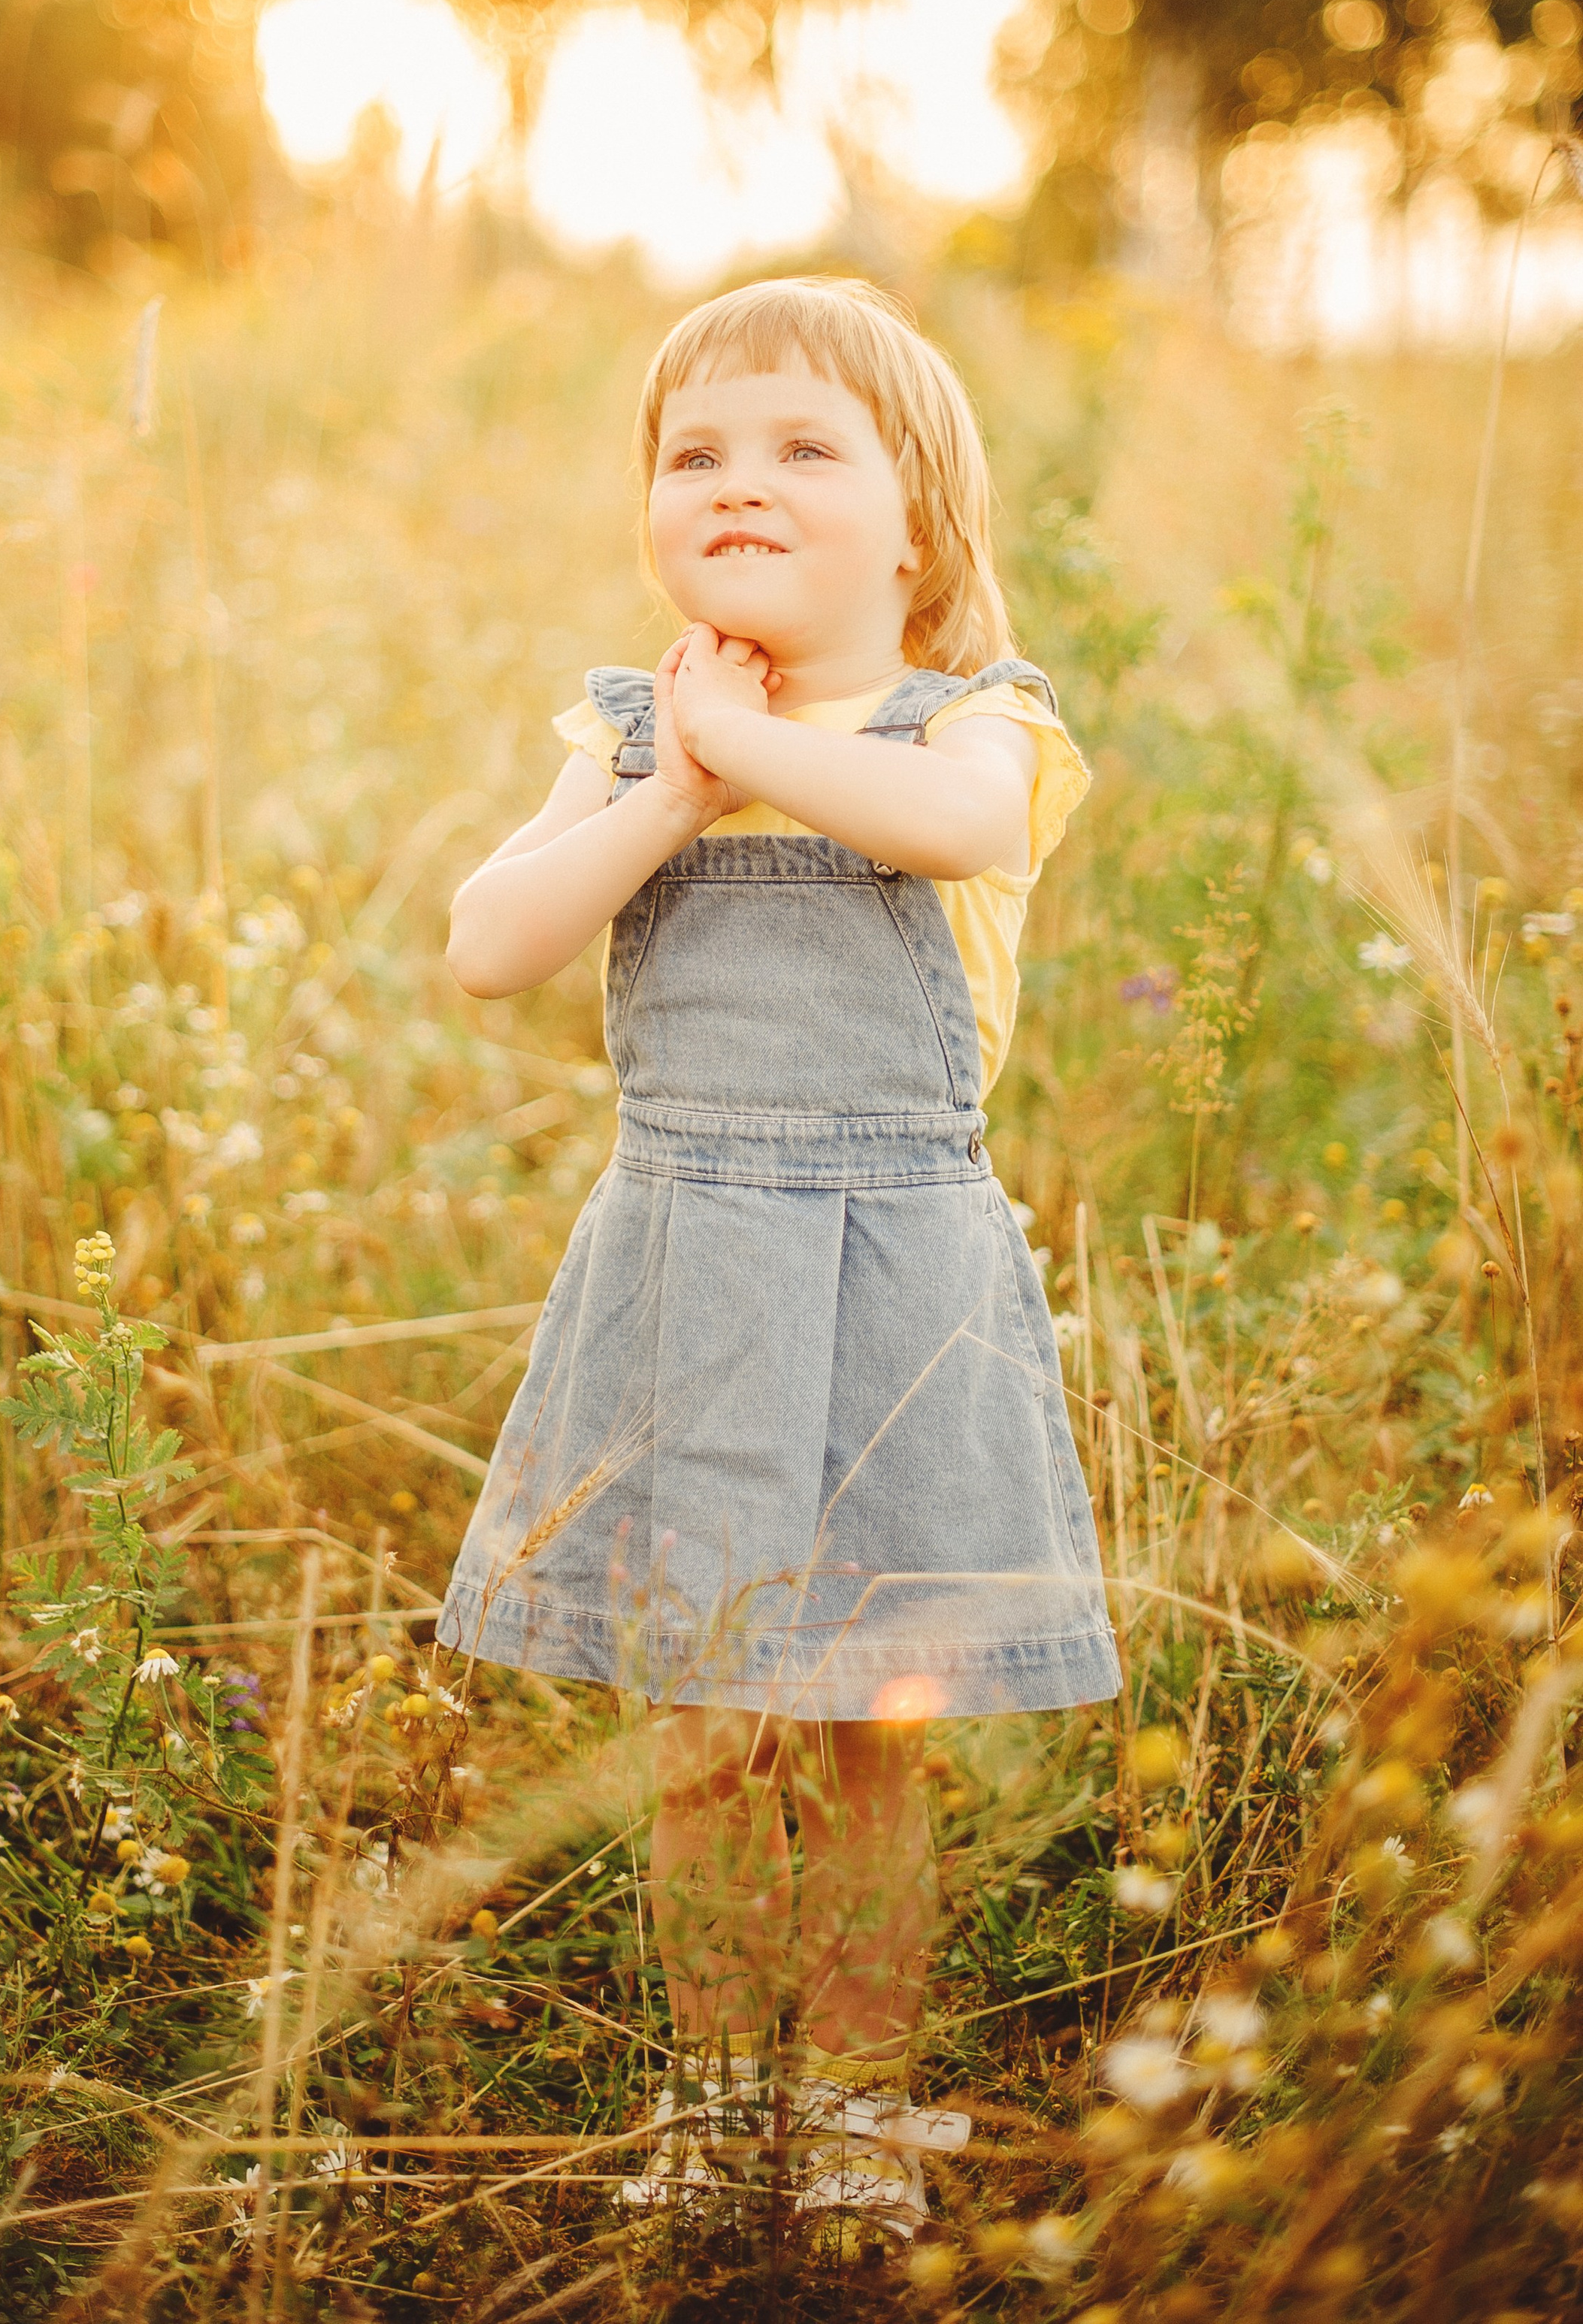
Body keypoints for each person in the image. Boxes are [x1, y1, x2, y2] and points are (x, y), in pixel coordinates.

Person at [436, 275, 1120, 2244]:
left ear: (919, 525)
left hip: (895, 1272)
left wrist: (758, 732)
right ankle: (722, 2094)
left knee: (874, 1731)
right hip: (689, 1266)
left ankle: (851, 2094)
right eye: (694, 453)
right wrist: (674, 778)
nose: (739, 482)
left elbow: (954, 831)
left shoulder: (970, 725)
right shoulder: (638, 731)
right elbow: (492, 941)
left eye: (805, 447)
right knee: (712, 1734)